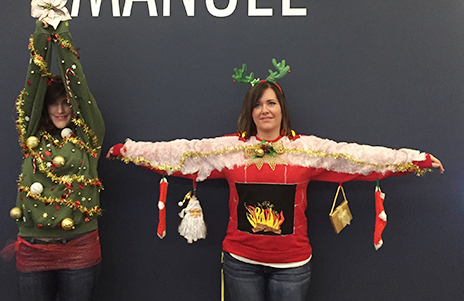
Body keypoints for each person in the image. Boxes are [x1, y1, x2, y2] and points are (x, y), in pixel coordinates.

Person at [106, 64, 443, 301]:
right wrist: (129, 151)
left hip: (292, 265)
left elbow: (355, 156)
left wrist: (413, 160)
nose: (264, 110)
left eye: (271, 103)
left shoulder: (306, 150)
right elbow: (183, 152)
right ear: (250, 112)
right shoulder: (230, 149)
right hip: (240, 261)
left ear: (281, 108)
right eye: (258, 104)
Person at [2, 0, 105, 301]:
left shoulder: (89, 135)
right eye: (53, 105)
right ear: (44, 109)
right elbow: (32, 91)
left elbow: (79, 85)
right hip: (33, 248)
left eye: (66, 104)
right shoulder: (30, 134)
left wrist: (62, 31)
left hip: (80, 246)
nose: (60, 110)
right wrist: (42, 32)